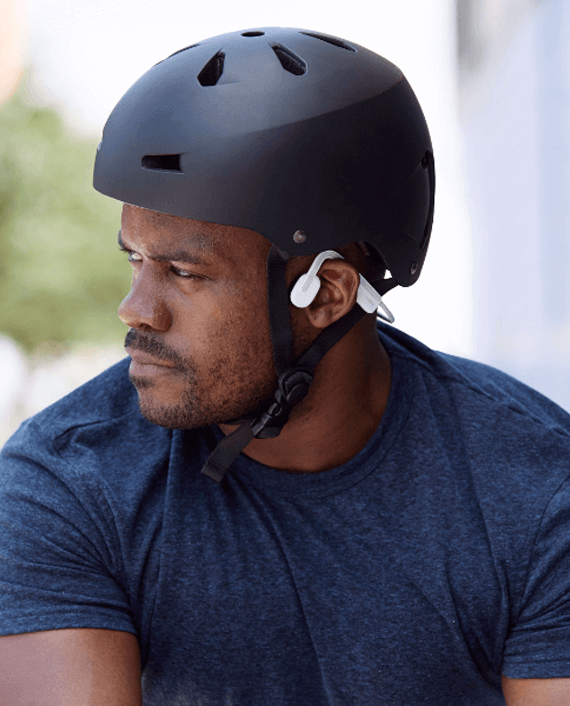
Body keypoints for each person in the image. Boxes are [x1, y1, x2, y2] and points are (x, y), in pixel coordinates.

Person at [1, 27, 570, 706]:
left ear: (326, 293)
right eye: (135, 259)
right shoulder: (67, 484)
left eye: (184, 272)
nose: (136, 310)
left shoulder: (533, 489)